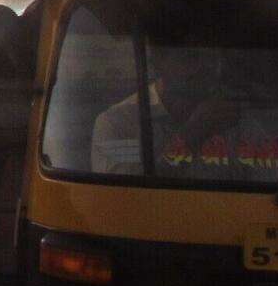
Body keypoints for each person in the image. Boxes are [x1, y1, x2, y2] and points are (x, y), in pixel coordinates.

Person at [90, 31, 257, 178]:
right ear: (158, 63)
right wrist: (193, 134)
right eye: (189, 57)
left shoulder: (233, 117)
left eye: (211, 58)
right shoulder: (119, 123)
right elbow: (123, 197)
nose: (205, 66)